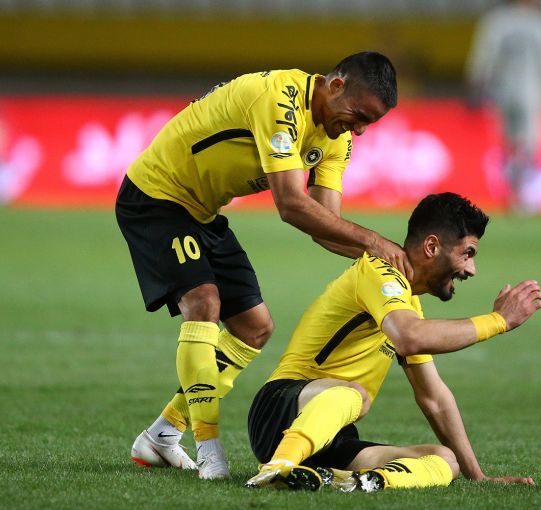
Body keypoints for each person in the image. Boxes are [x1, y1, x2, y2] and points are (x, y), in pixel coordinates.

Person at [116, 51, 413, 480]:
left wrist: (390, 265)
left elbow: (326, 225)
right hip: (156, 195)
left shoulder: (337, 138)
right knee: (203, 302)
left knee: (254, 327)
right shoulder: (280, 98)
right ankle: (209, 450)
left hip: (202, 212)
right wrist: (374, 241)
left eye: (371, 122)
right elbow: (291, 205)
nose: (361, 129)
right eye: (359, 115)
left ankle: (162, 434)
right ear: (335, 85)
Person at [244, 192, 541, 492]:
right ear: (432, 246)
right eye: (467, 253)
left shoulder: (408, 304)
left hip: (331, 434)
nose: (471, 269)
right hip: (280, 408)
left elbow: (434, 398)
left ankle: (347, 481)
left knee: (444, 459)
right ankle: (278, 467)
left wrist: (477, 476)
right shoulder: (377, 271)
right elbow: (409, 337)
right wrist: (498, 321)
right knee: (356, 394)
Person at [464, 0, 541, 213]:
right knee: (528, 144)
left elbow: (482, 59)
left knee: (509, 144)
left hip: (501, 91)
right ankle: (520, 193)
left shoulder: (497, 21)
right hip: (533, 92)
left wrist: (476, 86)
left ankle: (514, 191)